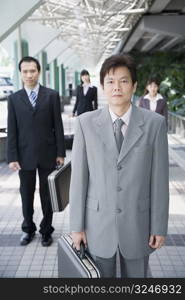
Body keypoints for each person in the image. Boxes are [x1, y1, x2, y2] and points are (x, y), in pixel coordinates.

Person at [69, 54, 169, 278]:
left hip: (138, 224)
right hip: (97, 224)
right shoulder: (85, 124)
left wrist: (159, 227)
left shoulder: (155, 124)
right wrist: (76, 226)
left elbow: (160, 181)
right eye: (110, 81)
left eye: (123, 81)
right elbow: (79, 181)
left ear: (134, 86)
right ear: (103, 87)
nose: (117, 87)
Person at [7, 56, 66, 247]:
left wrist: (60, 153)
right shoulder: (14, 99)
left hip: (48, 154)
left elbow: (58, 125)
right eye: (25, 71)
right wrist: (12, 157)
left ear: (38, 72)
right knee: (26, 194)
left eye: (32, 71)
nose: (29, 75)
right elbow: (12, 129)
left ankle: (46, 230)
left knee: (47, 195)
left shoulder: (51, 95)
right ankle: (28, 229)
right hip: (24, 157)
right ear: (21, 73)